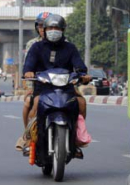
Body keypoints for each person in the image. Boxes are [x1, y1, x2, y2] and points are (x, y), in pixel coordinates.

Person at [21, 14, 90, 143]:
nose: (53, 31)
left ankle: (76, 135)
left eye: (57, 28)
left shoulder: (70, 47)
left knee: (81, 103)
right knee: (35, 104)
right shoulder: (36, 47)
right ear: (44, 30)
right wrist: (28, 72)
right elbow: (28, 65)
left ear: (63, 30)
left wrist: (83, 75)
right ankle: (31, 137)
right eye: (50, 28)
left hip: (66, 89)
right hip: (43, 88)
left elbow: (79, 65)